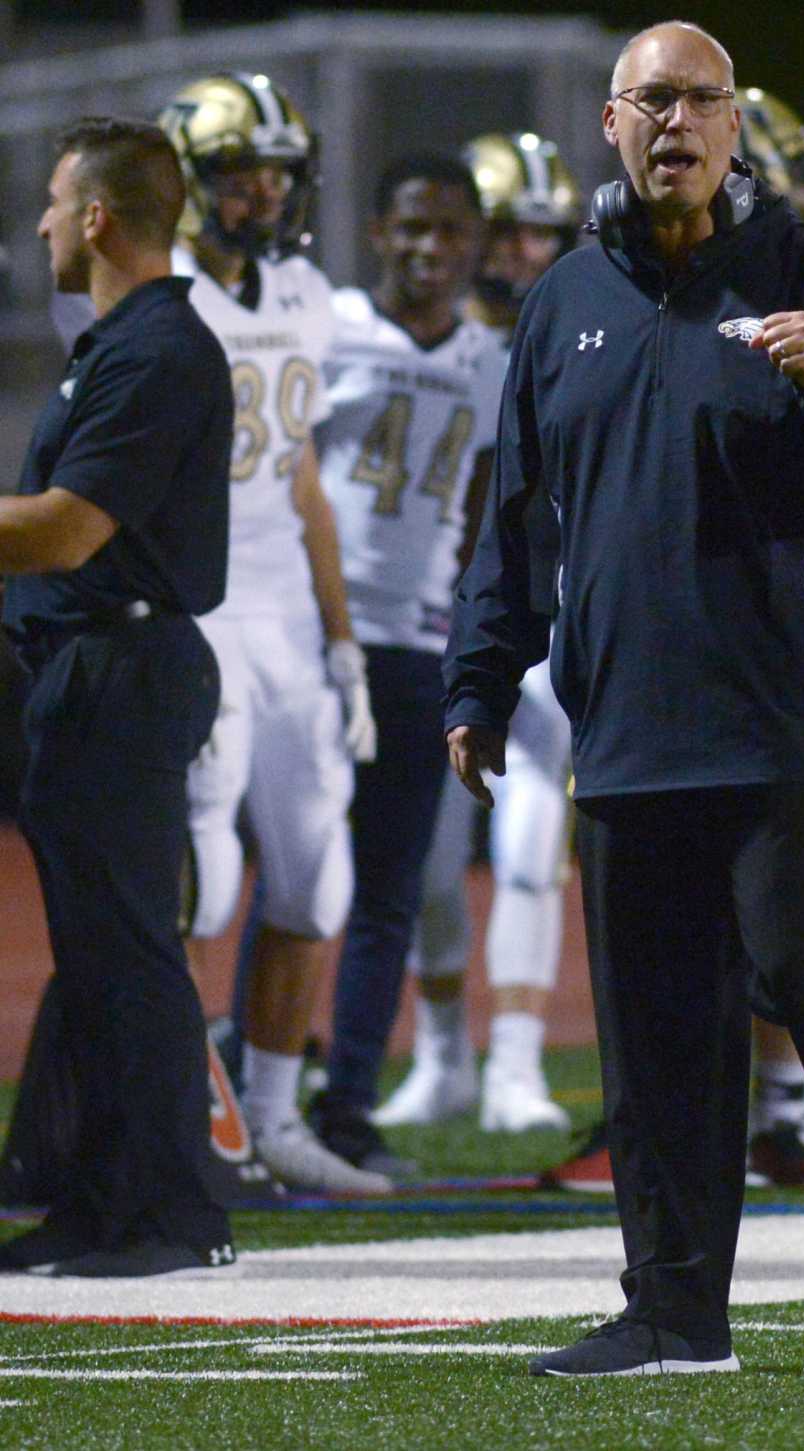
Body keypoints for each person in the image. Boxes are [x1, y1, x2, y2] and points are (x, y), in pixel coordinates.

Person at [444, 21, 804, 1377]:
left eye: (696, 99)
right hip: (633, 699)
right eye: (648, 100)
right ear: (611, 122)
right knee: (649, 1015)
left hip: (792, 690)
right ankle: (676, 1307)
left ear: (737, 124)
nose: (672, 123)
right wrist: (482, 672)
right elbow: (518, 513)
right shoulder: (565, 297)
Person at [0, 117, 235, 1276]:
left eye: (53, 201)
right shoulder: (120, 344)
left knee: (131, 949)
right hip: (90, 670)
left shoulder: (153, 351)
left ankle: (171, 1210)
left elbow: (65, 529)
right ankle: (97, 1197)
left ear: (97, 215)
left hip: (123, 671)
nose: (39, 222)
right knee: (97, 951)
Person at [154, 74, 378, 1192]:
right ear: (191, 179)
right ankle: (182, 1093)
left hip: (289, 606)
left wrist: (343, 644)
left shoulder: (307, 293)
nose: (266, 188)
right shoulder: (159, 290)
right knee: (205, 860)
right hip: (199, 595)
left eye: (279, 168)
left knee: (317, 875)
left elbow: (302, 477)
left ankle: (279, 1116)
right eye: (244, 167)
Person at [302, 157, 508, 1159]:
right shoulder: (332, 325)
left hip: (414, 647)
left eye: (450, 232)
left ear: (476, 243)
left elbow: (478, 519)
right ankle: (254, 1086)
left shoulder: (490, 360)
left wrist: (468, 637)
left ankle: (343, 1103)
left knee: (388, 889)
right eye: (412, 229)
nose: (430, 249)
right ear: (378, 231)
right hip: (312, 637)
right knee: (290, 874)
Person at [388, 130, 584, 1139]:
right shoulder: (423, 345)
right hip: (426, 623)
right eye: (508, 236)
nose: (525, 259)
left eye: (543, 237)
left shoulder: (576, 342)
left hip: (538, 628)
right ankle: (440, 1054)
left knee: (525, 845)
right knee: (425, 861)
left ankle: (511, 1060)